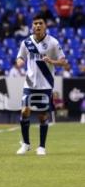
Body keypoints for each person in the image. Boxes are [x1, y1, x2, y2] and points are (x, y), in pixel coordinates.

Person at [16, 14, 67, 156]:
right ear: (32, 26)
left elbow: (63, 61)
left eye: (40, 23)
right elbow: (20, 57)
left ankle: (41, 147)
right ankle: (26, 144)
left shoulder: (53, 42)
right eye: (35, 23)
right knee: (24, 111)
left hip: (45, 85)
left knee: (42, 116)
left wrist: (52, 61)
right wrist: (20, 61)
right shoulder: (26, 42)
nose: (37, 26)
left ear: (45, 26)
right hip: (30, 83)